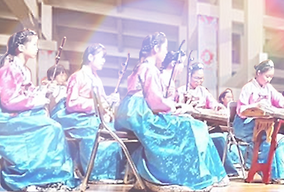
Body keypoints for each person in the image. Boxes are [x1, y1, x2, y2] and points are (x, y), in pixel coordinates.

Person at [116, 32, 226, 192]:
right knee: (186, 125)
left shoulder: (140, 66)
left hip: (131, 111)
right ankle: (171, 177)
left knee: (186, 123)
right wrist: (173, 108)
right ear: (156, 48)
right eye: (165, 48)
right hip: (140, 113)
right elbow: (155, 102)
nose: (166, 52)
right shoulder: (150, 69)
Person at [0, 29, 79, 191]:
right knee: (51, 128)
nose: (37, 48)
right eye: (34, 44)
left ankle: (46, 177)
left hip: (15, 113)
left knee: (52, 127)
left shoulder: (23, 70)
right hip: (0, 116)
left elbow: (25, 94)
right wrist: (35, 102)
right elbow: (8, 102)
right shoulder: (7, 70)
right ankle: (34, 178)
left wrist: (43, 91)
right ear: (21, 48)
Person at [50, 44, 125, 183]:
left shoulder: (96, 79)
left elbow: (102, 101)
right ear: (90, 57)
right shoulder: (77, 76)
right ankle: (95, 173)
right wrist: (96, 104)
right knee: (94, 132)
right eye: (101, 57)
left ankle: (109, 174)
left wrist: (109, 102)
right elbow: (71, 103)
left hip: (92, 116)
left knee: (112, 132)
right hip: (75, 117)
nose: (103, 61)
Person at [233, 59, 284, 183]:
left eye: (271, 77)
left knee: (282, 139)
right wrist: (256, 106)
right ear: (258, 73)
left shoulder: (268, 88)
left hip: (262, 125)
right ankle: (270, 172)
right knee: (269, 139)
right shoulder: (248, 87)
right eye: (267, 76)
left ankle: (281, 175)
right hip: (244, 125)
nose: (269, 80)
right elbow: (241, 110)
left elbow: (280, 100)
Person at [183, 63, 240, 178]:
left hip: (206, 123)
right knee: (213, 138)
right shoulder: (182, 90)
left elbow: (212, 103)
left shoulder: (203, 91)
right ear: (189, 76)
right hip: (191, 124)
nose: (199, 81)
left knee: (220, 136)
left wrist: (217, 107)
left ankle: (228, 170)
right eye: (196, 78)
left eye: (201, 78)